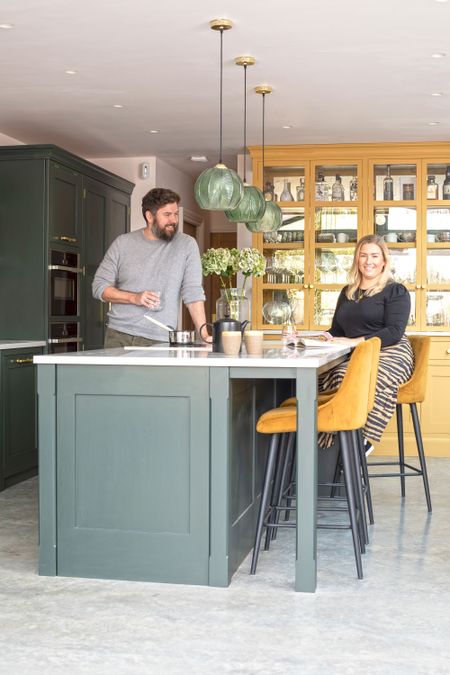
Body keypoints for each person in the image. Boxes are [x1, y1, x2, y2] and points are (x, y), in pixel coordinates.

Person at [318, 234, 414, 452]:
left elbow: (394, 332)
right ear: (356, 259)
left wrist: (354, 342)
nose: (368, 261)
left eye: (374, 255)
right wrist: (322, 337)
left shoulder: (395, 291)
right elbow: (337, 330)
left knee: (351, 376)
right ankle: (338, 435)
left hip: (390, 351)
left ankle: (362, 438)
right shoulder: (347, 292)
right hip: (358, 353)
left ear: (383, 261)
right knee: (329, 374)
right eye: (363, 255)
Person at [92, 187, 209, 348]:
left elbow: (193, 292)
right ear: (149, 216)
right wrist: (134, 298)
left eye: (176, 214)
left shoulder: (187, 245)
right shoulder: (123, 243)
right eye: (167, 215)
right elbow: (99, 287)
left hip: (159, 339)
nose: (174, 220)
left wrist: (203, 334)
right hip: (118, 335)